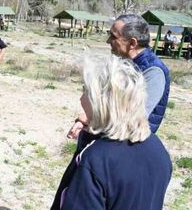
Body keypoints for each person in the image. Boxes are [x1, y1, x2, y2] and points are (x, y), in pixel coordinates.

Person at [52, 55, 172, 210]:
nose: (81, 98)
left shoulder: (96, 160)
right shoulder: (158, 149)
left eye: (85, 91)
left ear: (101, 102)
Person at [68, 14, 171, 144]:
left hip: (127, 146)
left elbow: (132, 118)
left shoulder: (153, 72)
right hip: (110, 139)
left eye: (113, 36)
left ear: (132, 43)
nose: (108, 41)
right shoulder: (122, 63)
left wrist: (89, 120)